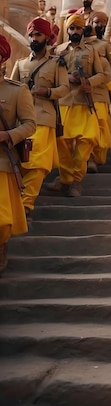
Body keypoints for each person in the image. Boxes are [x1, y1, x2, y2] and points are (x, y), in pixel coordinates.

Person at [10, 17, 70, 222]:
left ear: (47, 37)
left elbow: (65, 88)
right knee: (22, 164)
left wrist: (47, 91)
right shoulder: (20, 64)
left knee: (39, 165)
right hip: (21, 123)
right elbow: (11, 90)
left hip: (44, 119)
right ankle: (17, 204)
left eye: (38, 34)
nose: (34, 38)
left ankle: (25, 207)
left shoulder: (56, 64)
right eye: (32, 35)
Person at [46, 13, 109, 197]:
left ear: (83, 30)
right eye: (72, 28)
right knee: (62, 143)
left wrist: (87, 82)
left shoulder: (91, 51)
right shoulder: (58, 51)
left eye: (78, 28)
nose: (75, 31)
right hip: (64, 103)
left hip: (84, 103)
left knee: (85, 143)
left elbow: (103, 75)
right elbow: (51, 76)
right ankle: (66, 179)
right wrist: (67, 78)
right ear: (67, 30)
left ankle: (76, 180)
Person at [0, 35, 36, 273]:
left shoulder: (16, 91)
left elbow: (30, 124)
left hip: (2, 162)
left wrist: (8, 135)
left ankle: (1, 246)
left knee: (1, 217)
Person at [85, 11, 111, 172]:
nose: (100, 26)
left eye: (103, 23)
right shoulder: (78, 45)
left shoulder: (104, 45)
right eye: (96, 22)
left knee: (101, 124)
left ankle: (96, 157)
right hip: (80, 94)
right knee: (87, 128)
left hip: (101, 92)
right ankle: (89, 159)